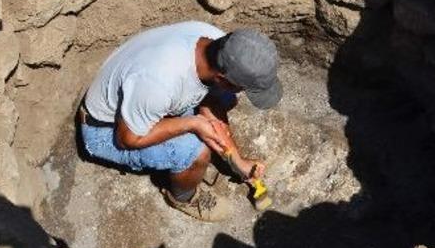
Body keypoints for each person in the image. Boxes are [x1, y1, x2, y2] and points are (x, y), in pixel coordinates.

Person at [78, 21, 282, 222]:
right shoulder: (159, 82)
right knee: (195, 151)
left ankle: (216, 149)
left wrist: (239, 163)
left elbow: (213, 97)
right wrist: (192, 124)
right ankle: (183, 198)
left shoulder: (215, 40)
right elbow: (127, 139)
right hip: (104, 129)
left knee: (226, 99)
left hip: (143, 99)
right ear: (222, 77)